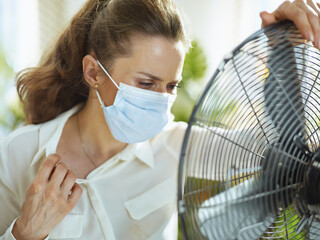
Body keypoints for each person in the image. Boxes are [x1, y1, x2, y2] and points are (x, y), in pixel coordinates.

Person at [0, 0, 319, 239]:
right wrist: (24, 234)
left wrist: (283, 51)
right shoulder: (18, 154)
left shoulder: (177, 146)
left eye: (171, 86)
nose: (160, 98)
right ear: (94, 72)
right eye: (146, 83)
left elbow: (284, 156)